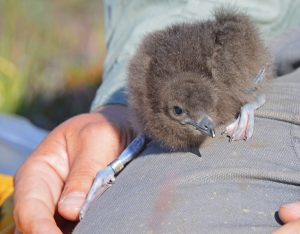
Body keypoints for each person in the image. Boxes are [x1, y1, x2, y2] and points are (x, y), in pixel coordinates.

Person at [13, 0, 300, 233]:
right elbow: (163, 46)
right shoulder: (176, 95)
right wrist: (116, 110)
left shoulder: (224, 83)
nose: (206, 124)